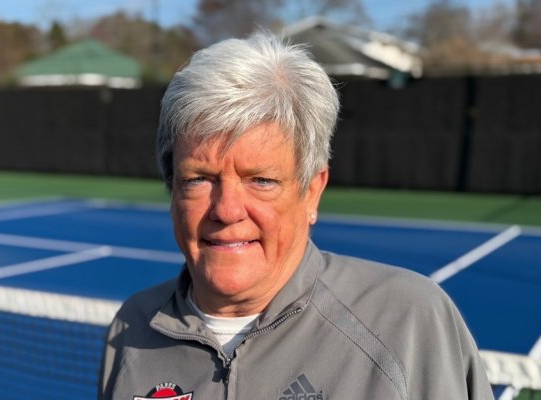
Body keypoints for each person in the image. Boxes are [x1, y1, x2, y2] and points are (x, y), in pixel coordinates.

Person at [98, 31, 493, 400]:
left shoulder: (409, 321)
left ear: (312, 191)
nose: (227, 210)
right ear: (173, 188)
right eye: (199, 179)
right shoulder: (133, 325)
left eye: (262, 180)